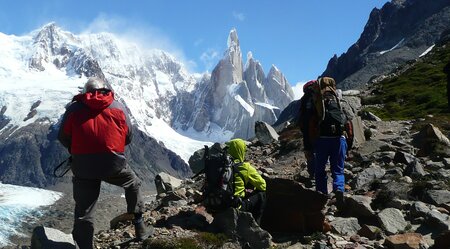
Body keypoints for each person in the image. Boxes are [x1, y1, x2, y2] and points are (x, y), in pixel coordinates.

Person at [58, 77, 153, 249]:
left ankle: (83, 246)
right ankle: (140, 226)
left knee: (84, 211)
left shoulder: (74, 108)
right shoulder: (117, 106)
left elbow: (63, 136)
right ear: (104, 89)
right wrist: (111, 147)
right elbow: (128, 136)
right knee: (133, 183)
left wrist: (77, 150)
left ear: (86, 92)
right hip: (113, 163)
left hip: (83, 167)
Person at [311, 77, 347, 207]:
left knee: (320, 170)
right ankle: (339, 189)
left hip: (322, 140)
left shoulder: (318, 99)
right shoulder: (338, 98)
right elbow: (347, 117)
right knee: (338, 170)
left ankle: (321, 194)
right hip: (339, 139)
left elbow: (311, 119)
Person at [226, 138, 267, 225]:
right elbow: (263, 185)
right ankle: (255, 225)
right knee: (261, 194)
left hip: (217, 205)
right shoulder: (244, 167)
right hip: (234, 207)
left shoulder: (222, 165)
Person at [298, 80, 319, 180]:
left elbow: (301, 117)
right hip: (320, 129)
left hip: (307, 131)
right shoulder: (319, 96)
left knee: (309, 151)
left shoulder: (304, 99)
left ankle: (312, 174)